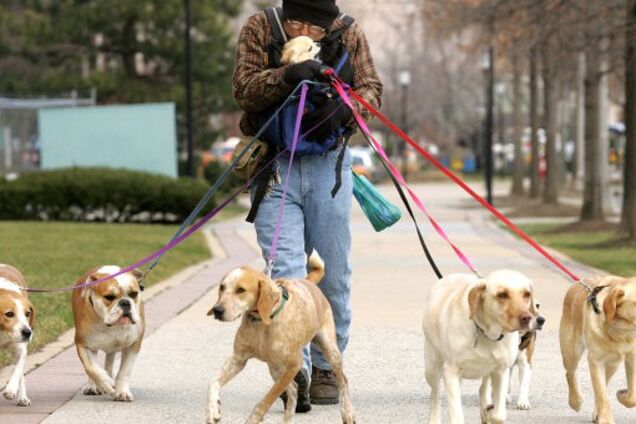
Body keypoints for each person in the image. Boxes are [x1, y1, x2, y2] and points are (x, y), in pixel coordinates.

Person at [232, 0, 383, 412]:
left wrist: (344, 108)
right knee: (285, 276)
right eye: (298, 19)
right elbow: (242, 88)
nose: (305, 28)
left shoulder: (348, 31)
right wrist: (287, 75)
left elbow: (373, 89)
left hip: (328, 168)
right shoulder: (261, 27)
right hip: (274, 166)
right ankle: (289, 364)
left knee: (333, 275)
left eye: (315, 24)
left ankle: (326, 368)